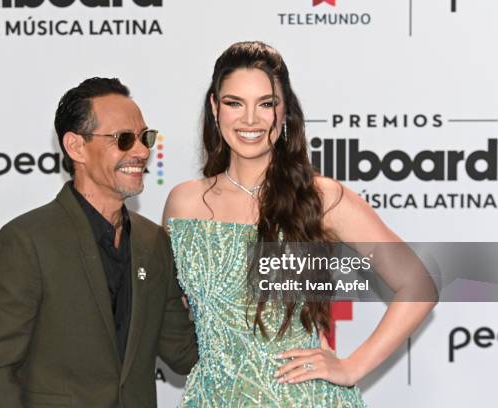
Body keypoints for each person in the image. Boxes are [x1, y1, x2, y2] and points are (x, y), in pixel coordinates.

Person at [162, 42, 437, 407]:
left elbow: (418, 285)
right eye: (234, 103)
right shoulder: (184, 203)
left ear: (284, 111)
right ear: (215, 108)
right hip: (214, 398)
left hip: (301, 398)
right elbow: (175, 311)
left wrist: (352, 367)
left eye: (266, 103)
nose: (250, 120)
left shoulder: (321, 197)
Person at [0, 77, 198, 407]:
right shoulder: (26, 242)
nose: (141, 151)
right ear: (76, 146)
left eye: (145, 138)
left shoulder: (153, 243)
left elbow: (183, 351)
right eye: (123, 139)